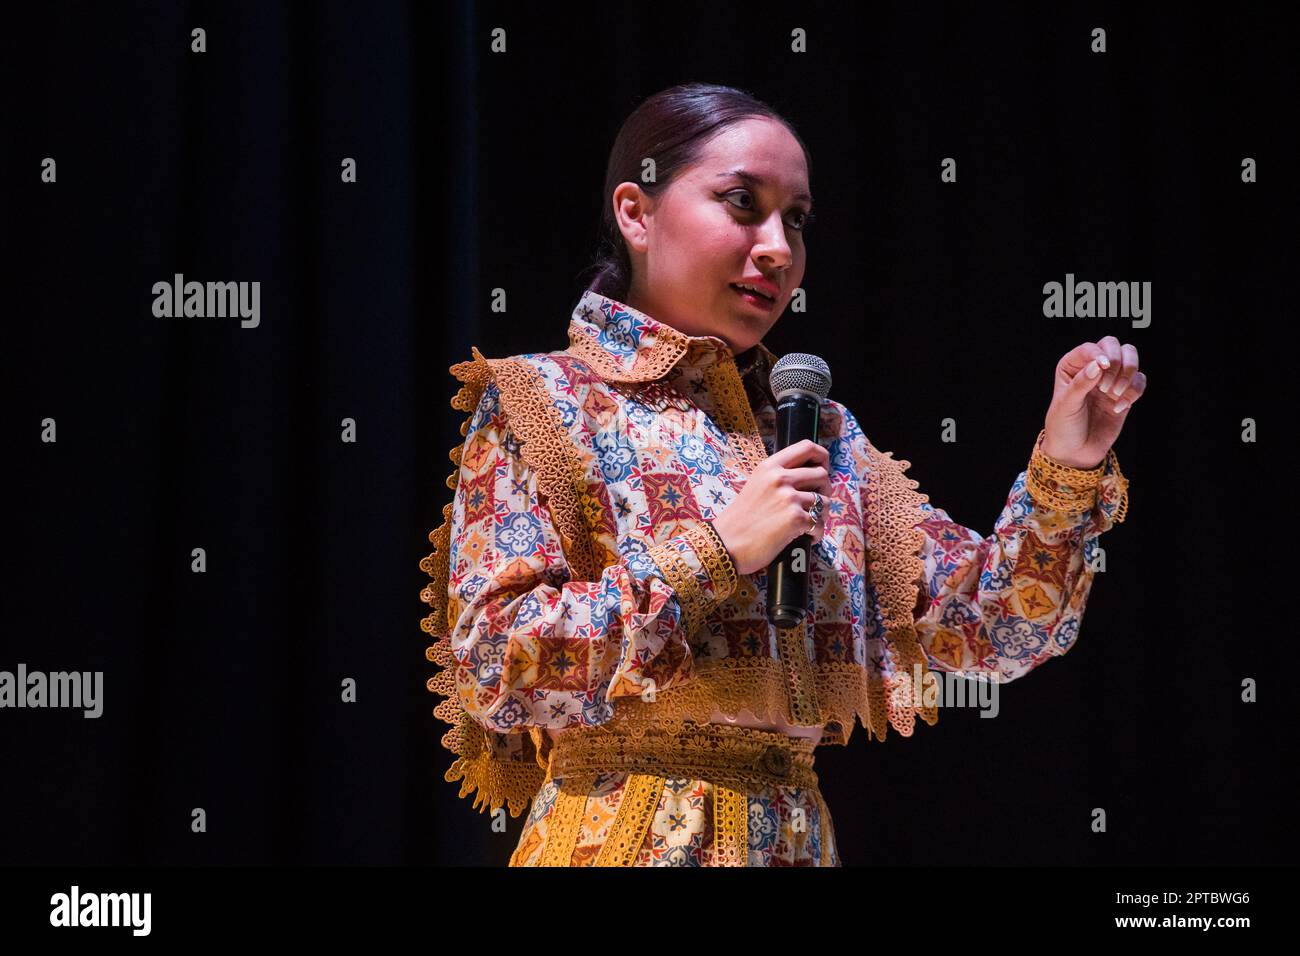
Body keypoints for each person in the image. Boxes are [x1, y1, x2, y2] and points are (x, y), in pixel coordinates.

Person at [419, 82, 1144, 867]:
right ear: (636, 212)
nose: (777, 247)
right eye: (742, 203)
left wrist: (1068, 463)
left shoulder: (820, 432)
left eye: (795, 219)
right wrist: (716, 553)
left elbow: (992, 631)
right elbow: (491, 666)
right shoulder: (545, 403)